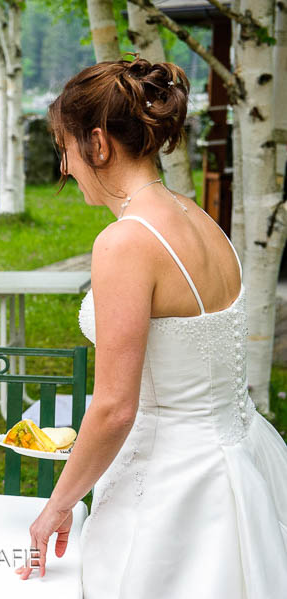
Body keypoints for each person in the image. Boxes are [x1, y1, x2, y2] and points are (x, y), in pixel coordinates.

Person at [16, 58, 287, 597]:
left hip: (173, 494)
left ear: (98, 144)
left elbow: (116, 407)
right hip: (239, 465)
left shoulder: (124, 242)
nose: (65, 167)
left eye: (64, 148)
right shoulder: (199, 217)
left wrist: (58, 505)